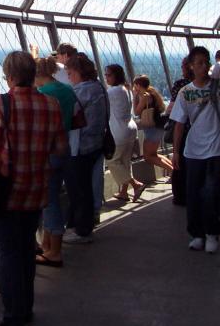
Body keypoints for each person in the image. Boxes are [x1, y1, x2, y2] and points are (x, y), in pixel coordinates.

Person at [0, 52, 66, 326]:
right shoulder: (50, 104)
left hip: (7, 193)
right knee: (27, 251)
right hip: (36, 191)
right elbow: (60, 147)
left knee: (9, 256)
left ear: (11, 77)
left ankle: (13, 321)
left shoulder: (2, 103)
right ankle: (25, 309)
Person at [169, 46, 220, 254]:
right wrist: (176, 151)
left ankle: (210, 232)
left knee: (211, 191)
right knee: (193, 193)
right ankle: (197, 233)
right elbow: (179, 124)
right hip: (193, 150)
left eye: (206, 61)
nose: (204, 66)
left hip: (217, 147)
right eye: (199, 62)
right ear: (191, 66)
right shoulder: (186, 92)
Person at [34, 56, 75, 268]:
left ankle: (55, 252)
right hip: (63, 148)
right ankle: (48, 246)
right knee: (53, 198)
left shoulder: (43, 94)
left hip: (46, 153)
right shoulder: (67, 90)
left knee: (49, 203)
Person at [62, 53, 105, 244]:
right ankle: (78, 225)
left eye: (70, 73)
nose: (69, 78)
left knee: (78, 189)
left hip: (79, 147)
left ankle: (81, 229)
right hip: (94, 145)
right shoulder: (98, 88)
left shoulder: (81, 92)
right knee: (84, 187)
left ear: (78, 72)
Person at [104, 64, 145, 202]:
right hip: (130, 128)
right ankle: (123, 192)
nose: (106, 77)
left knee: (112, 161)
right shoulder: (126, 89)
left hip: (118, 131)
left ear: (116, 76)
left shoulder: (112, 92)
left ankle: (135, 184)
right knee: (125, 162)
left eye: (109, 74)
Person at [132, 75, 173, 177]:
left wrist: (134, 97)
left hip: (151, 128)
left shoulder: (145, 97)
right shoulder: (152, 93)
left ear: (138, 85)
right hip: (157, 127)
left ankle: (173, 172)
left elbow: (136, 112)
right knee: (153, 154)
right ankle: (174, 170)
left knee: (149, 157)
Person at [166, 55, 194, 204]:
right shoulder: (207, 86)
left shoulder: (180, 85)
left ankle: (180, 195)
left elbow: (174, 108)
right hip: (199, 131)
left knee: (180, 163)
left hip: (183, 129)